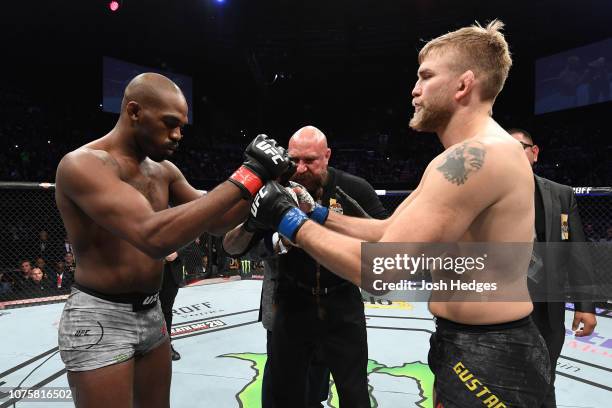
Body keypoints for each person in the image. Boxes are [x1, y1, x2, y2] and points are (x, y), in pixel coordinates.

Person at [250, 21, 551, 407]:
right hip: (478, 343)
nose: (415, 90)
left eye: (425, 77)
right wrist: (317, 212)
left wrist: (289, 218)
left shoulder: (473, 158)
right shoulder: (471, 155)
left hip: (489, 353)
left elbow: (383, 269)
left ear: (463, 85)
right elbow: (387, 229)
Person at [54, 72, 293, 408]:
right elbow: (152, 236)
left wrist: (267, 182)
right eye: (169, 123)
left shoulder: (163, 171)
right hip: (100, 314)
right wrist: (247, 175)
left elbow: (218, 220)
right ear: (134, 111)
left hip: (152, 311)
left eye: (182, 125)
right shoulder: (82, 165)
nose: (178, 135)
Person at [225, 125, 388, 408]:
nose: (300, 168)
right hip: (292, 302)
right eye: (294, 159)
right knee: (286, 394)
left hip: (342, 303)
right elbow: (232, 247)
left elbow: (387, 239)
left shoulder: (353, 188)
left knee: (354, 392)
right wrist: (255, 225)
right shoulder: (272, 189)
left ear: (327, 156)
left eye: (310, 160)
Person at [509, 128, 597, 408]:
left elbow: (576, 252)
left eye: (517, 148)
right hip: (500, 309)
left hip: (547, 311)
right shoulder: (483, 196)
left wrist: (586, 305)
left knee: (544, 383)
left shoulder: (560, 195)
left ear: (534, 153)